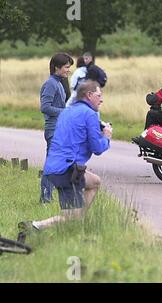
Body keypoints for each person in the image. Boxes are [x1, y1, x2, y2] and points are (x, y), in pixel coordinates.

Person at [19, 80, 112, 236]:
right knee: (71, 217)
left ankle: (78, 221)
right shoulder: (89, 114)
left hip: (54, 167)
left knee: (94, 181)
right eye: (99, 95)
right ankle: (35, 226)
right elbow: (97, 148)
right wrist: (107, 137)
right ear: (89, 95)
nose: (101, 99)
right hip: (67, 170)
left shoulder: (68, 111)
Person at [39, 52, 74, 203]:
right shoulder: (50, 84)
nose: (68, 70)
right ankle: (45, 198)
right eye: (66, 67)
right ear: (56, 68)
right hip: (53, 130)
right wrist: (65, 112)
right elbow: (45, 108)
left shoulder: (58, 83)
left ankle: (48, 197)